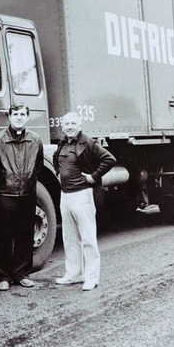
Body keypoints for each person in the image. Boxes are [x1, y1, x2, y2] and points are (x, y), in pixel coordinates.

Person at [53, 112, 116, 291]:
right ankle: (73, 274)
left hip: (83, 194)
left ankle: (91, 277)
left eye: (73, 123)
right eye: (66, 124)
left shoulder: (87, 142)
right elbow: (56, 159)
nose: (70, 126)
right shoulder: (62, 142)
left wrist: (93, 177)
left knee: (88, 237)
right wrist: (58, 174)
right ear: (62, 127)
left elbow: (109, 159)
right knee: (70, 237)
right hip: (65, 196)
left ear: (80, 125)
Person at [0, 102, 44, 291]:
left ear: (27, 117)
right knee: (2, 236)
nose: (19, 117)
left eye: (22, 114)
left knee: (25, 234)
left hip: (27, 195)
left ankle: (22, 273)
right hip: (5, 195)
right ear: (9, 116)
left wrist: (27, 184)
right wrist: (4, 186)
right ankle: (2, 276)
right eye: (15, 114)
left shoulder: (35, 140)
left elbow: (38, 167)